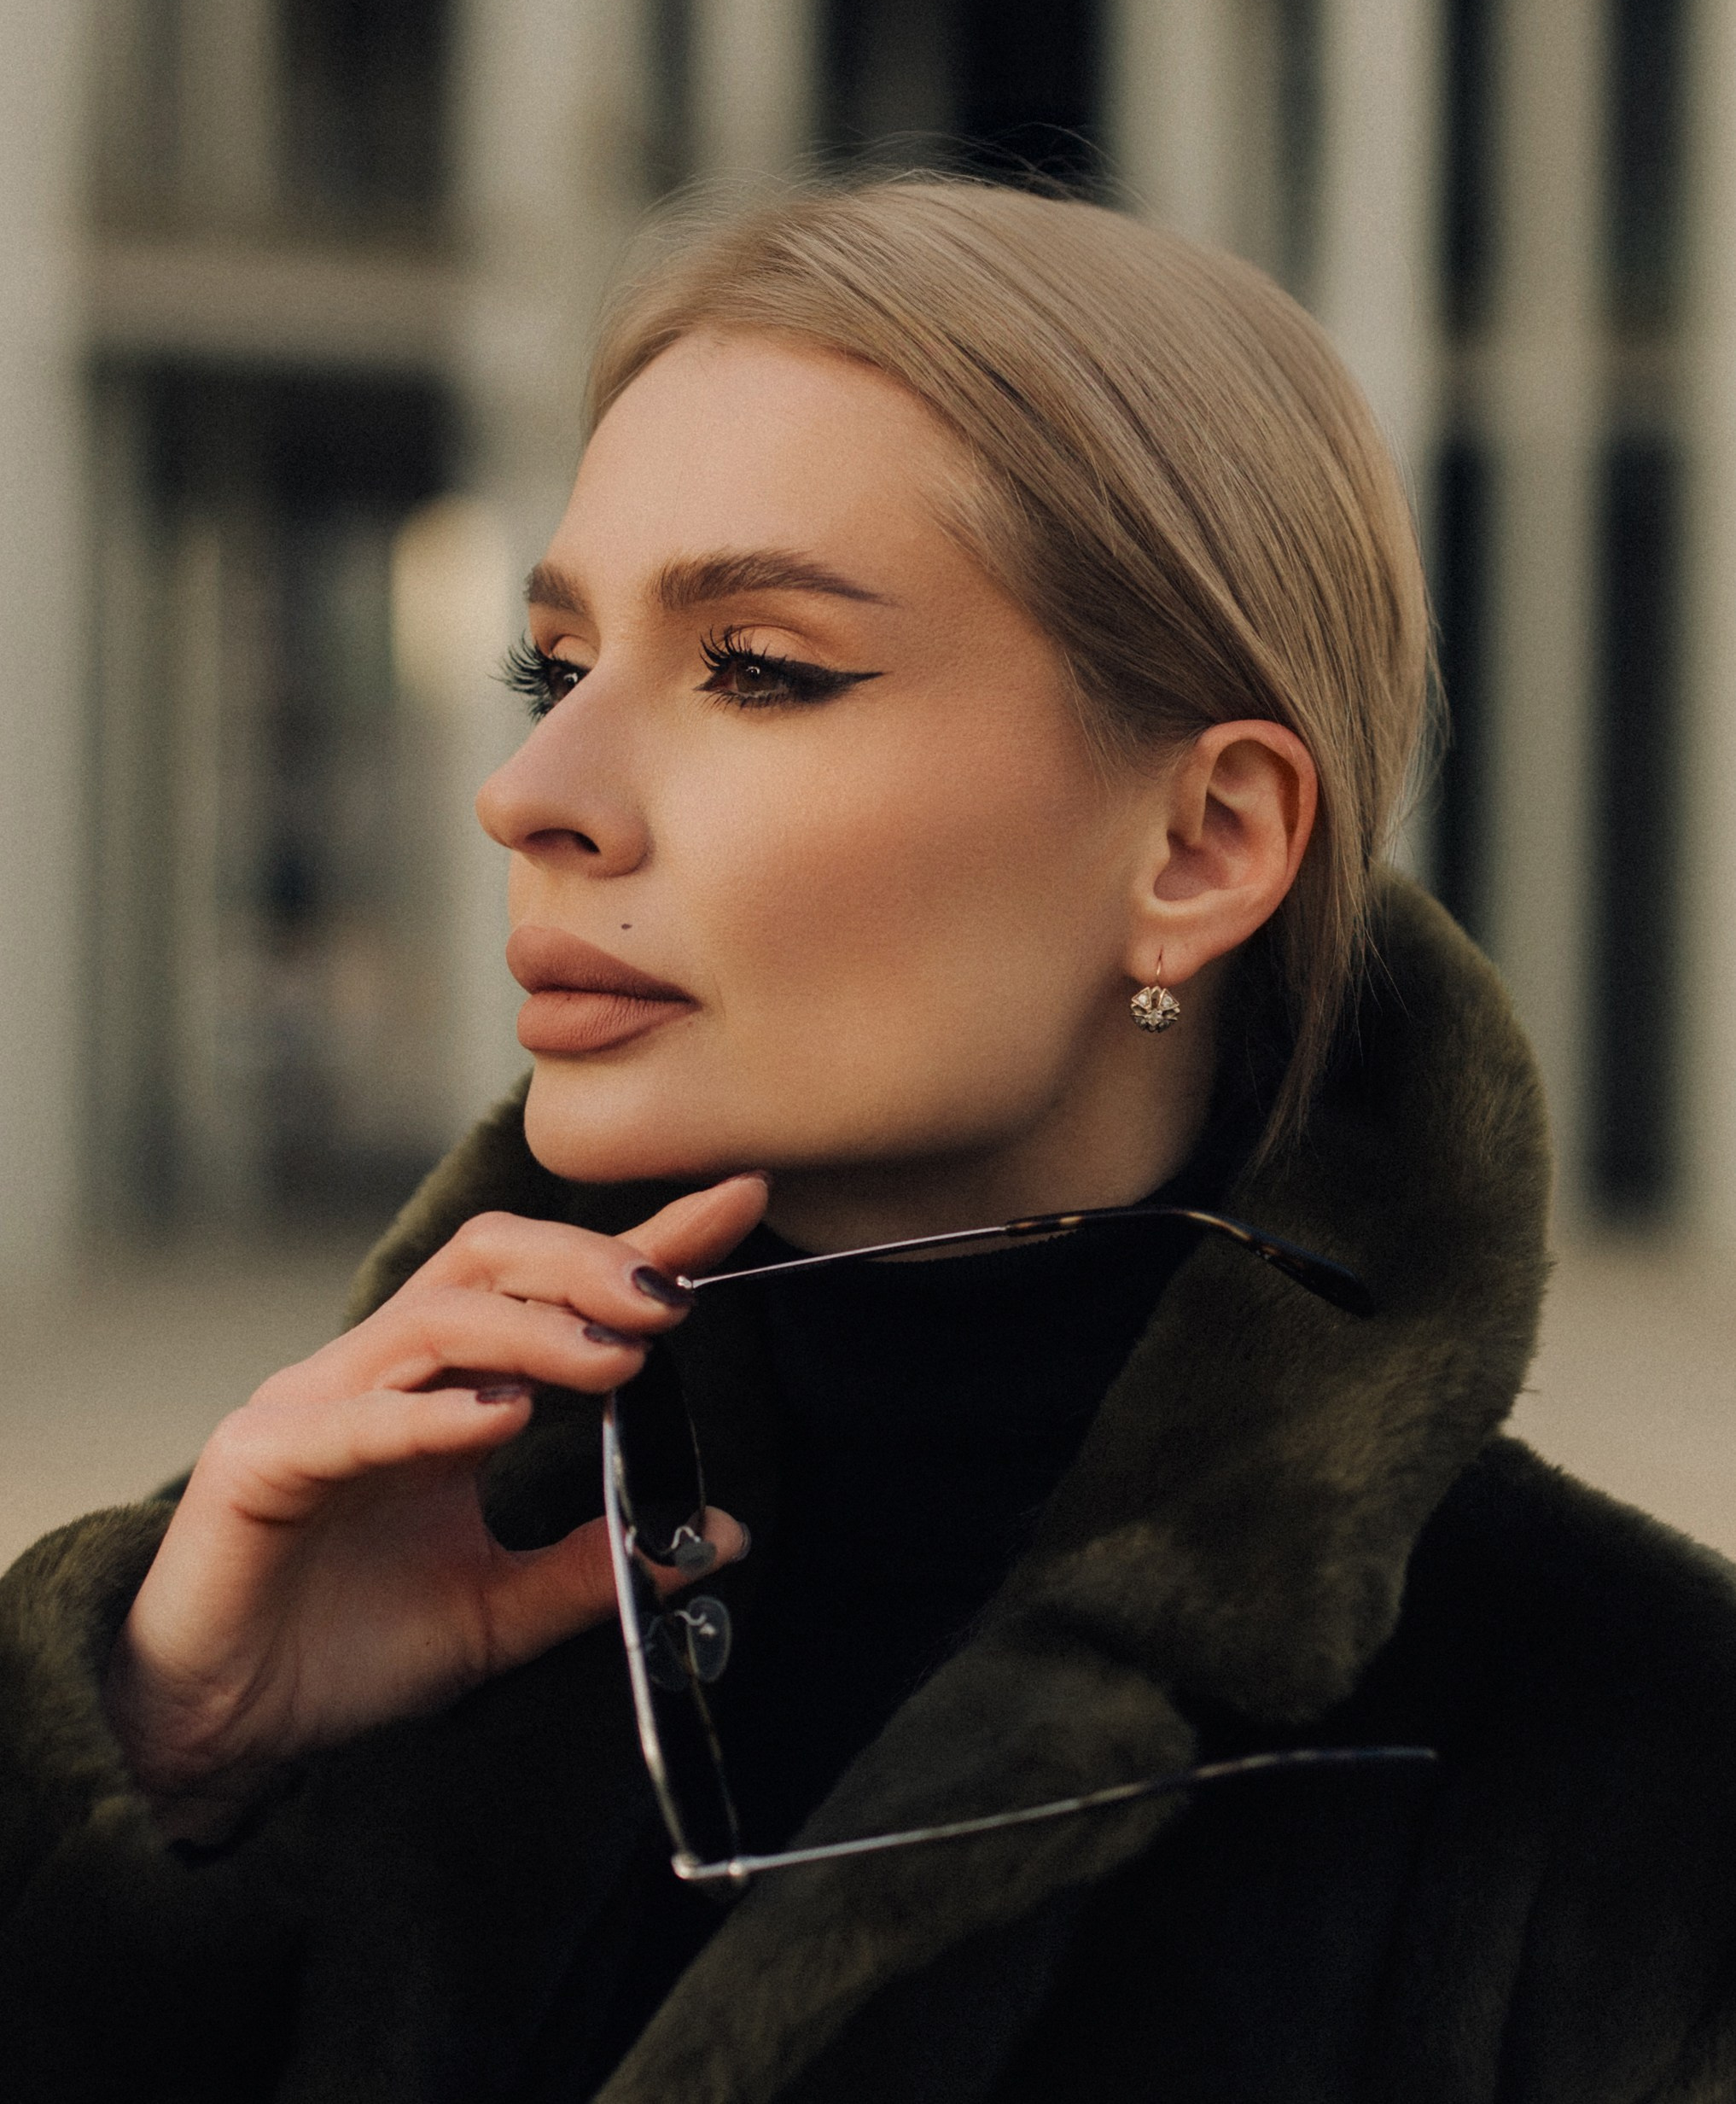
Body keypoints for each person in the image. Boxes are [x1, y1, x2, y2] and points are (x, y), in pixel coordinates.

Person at [4, 176, 1735, 2104]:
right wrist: (160, 1756)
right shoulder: (363, 1575)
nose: (530, 789)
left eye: (758, 665)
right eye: (554, 667)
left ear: (1200, 844)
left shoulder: (1642, 1782)